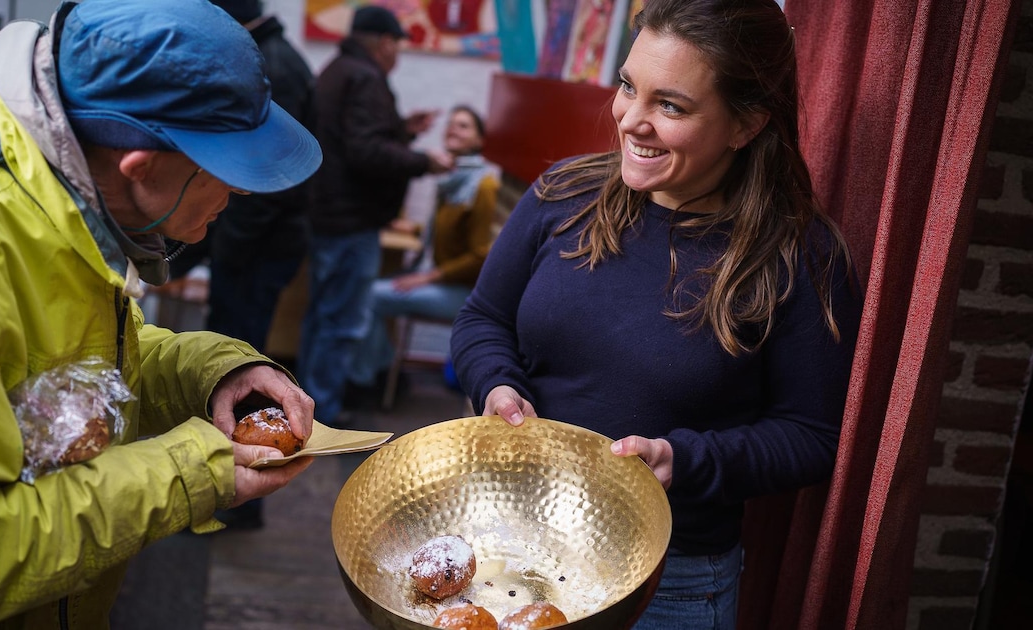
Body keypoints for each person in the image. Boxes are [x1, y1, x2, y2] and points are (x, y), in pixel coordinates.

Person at [0, 0, 322, 627]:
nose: (241, 193)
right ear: (140, 169)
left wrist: (216, 371)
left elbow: (77, 372)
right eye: (226, 173)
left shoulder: (53, 209)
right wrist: (187, 475)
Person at [449, 0, 863, 627]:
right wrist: (497, 383)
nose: (630, 121)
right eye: (627, 87)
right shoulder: (562, 194)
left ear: (746, 124)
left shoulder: (801, 256)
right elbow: (483, 320)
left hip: (665, 588)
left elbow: (812, 436)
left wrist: (685, 460)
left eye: (670, 105)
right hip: (501, 547)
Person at [299, 4, 455, 425]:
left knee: (322, 315)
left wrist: (403, 130)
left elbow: (354, 139)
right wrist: (424, 161)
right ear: (386, 43)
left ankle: (304, 406)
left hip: (327, 214)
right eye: (398, 47)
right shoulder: (365, 77)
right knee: (341, 324)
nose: (398, 55)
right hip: (351, 221)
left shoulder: (338, 69)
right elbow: (365, 152)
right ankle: (322, 417)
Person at [199, 0, 319, 530]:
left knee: (241, 370)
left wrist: (221, 244)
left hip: (256, 244)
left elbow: (268, 177)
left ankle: (237, 499)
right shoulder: (270, 55)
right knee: (232, 364)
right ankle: (225, 490)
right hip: (256, 241)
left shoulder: (271, 64)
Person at [347, 105, 498, 395]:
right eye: (451, 124)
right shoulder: (453, 181)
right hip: (443, 279)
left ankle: (369, 379)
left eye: (464, 126)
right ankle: (380, 373)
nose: (454, 129)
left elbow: (481, 255)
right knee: (370, 291)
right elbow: (447, 232)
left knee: (371, 295)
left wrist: (427, 277)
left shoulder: (483, 186)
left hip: (465, 292)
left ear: (479, 141)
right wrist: (415, 228)